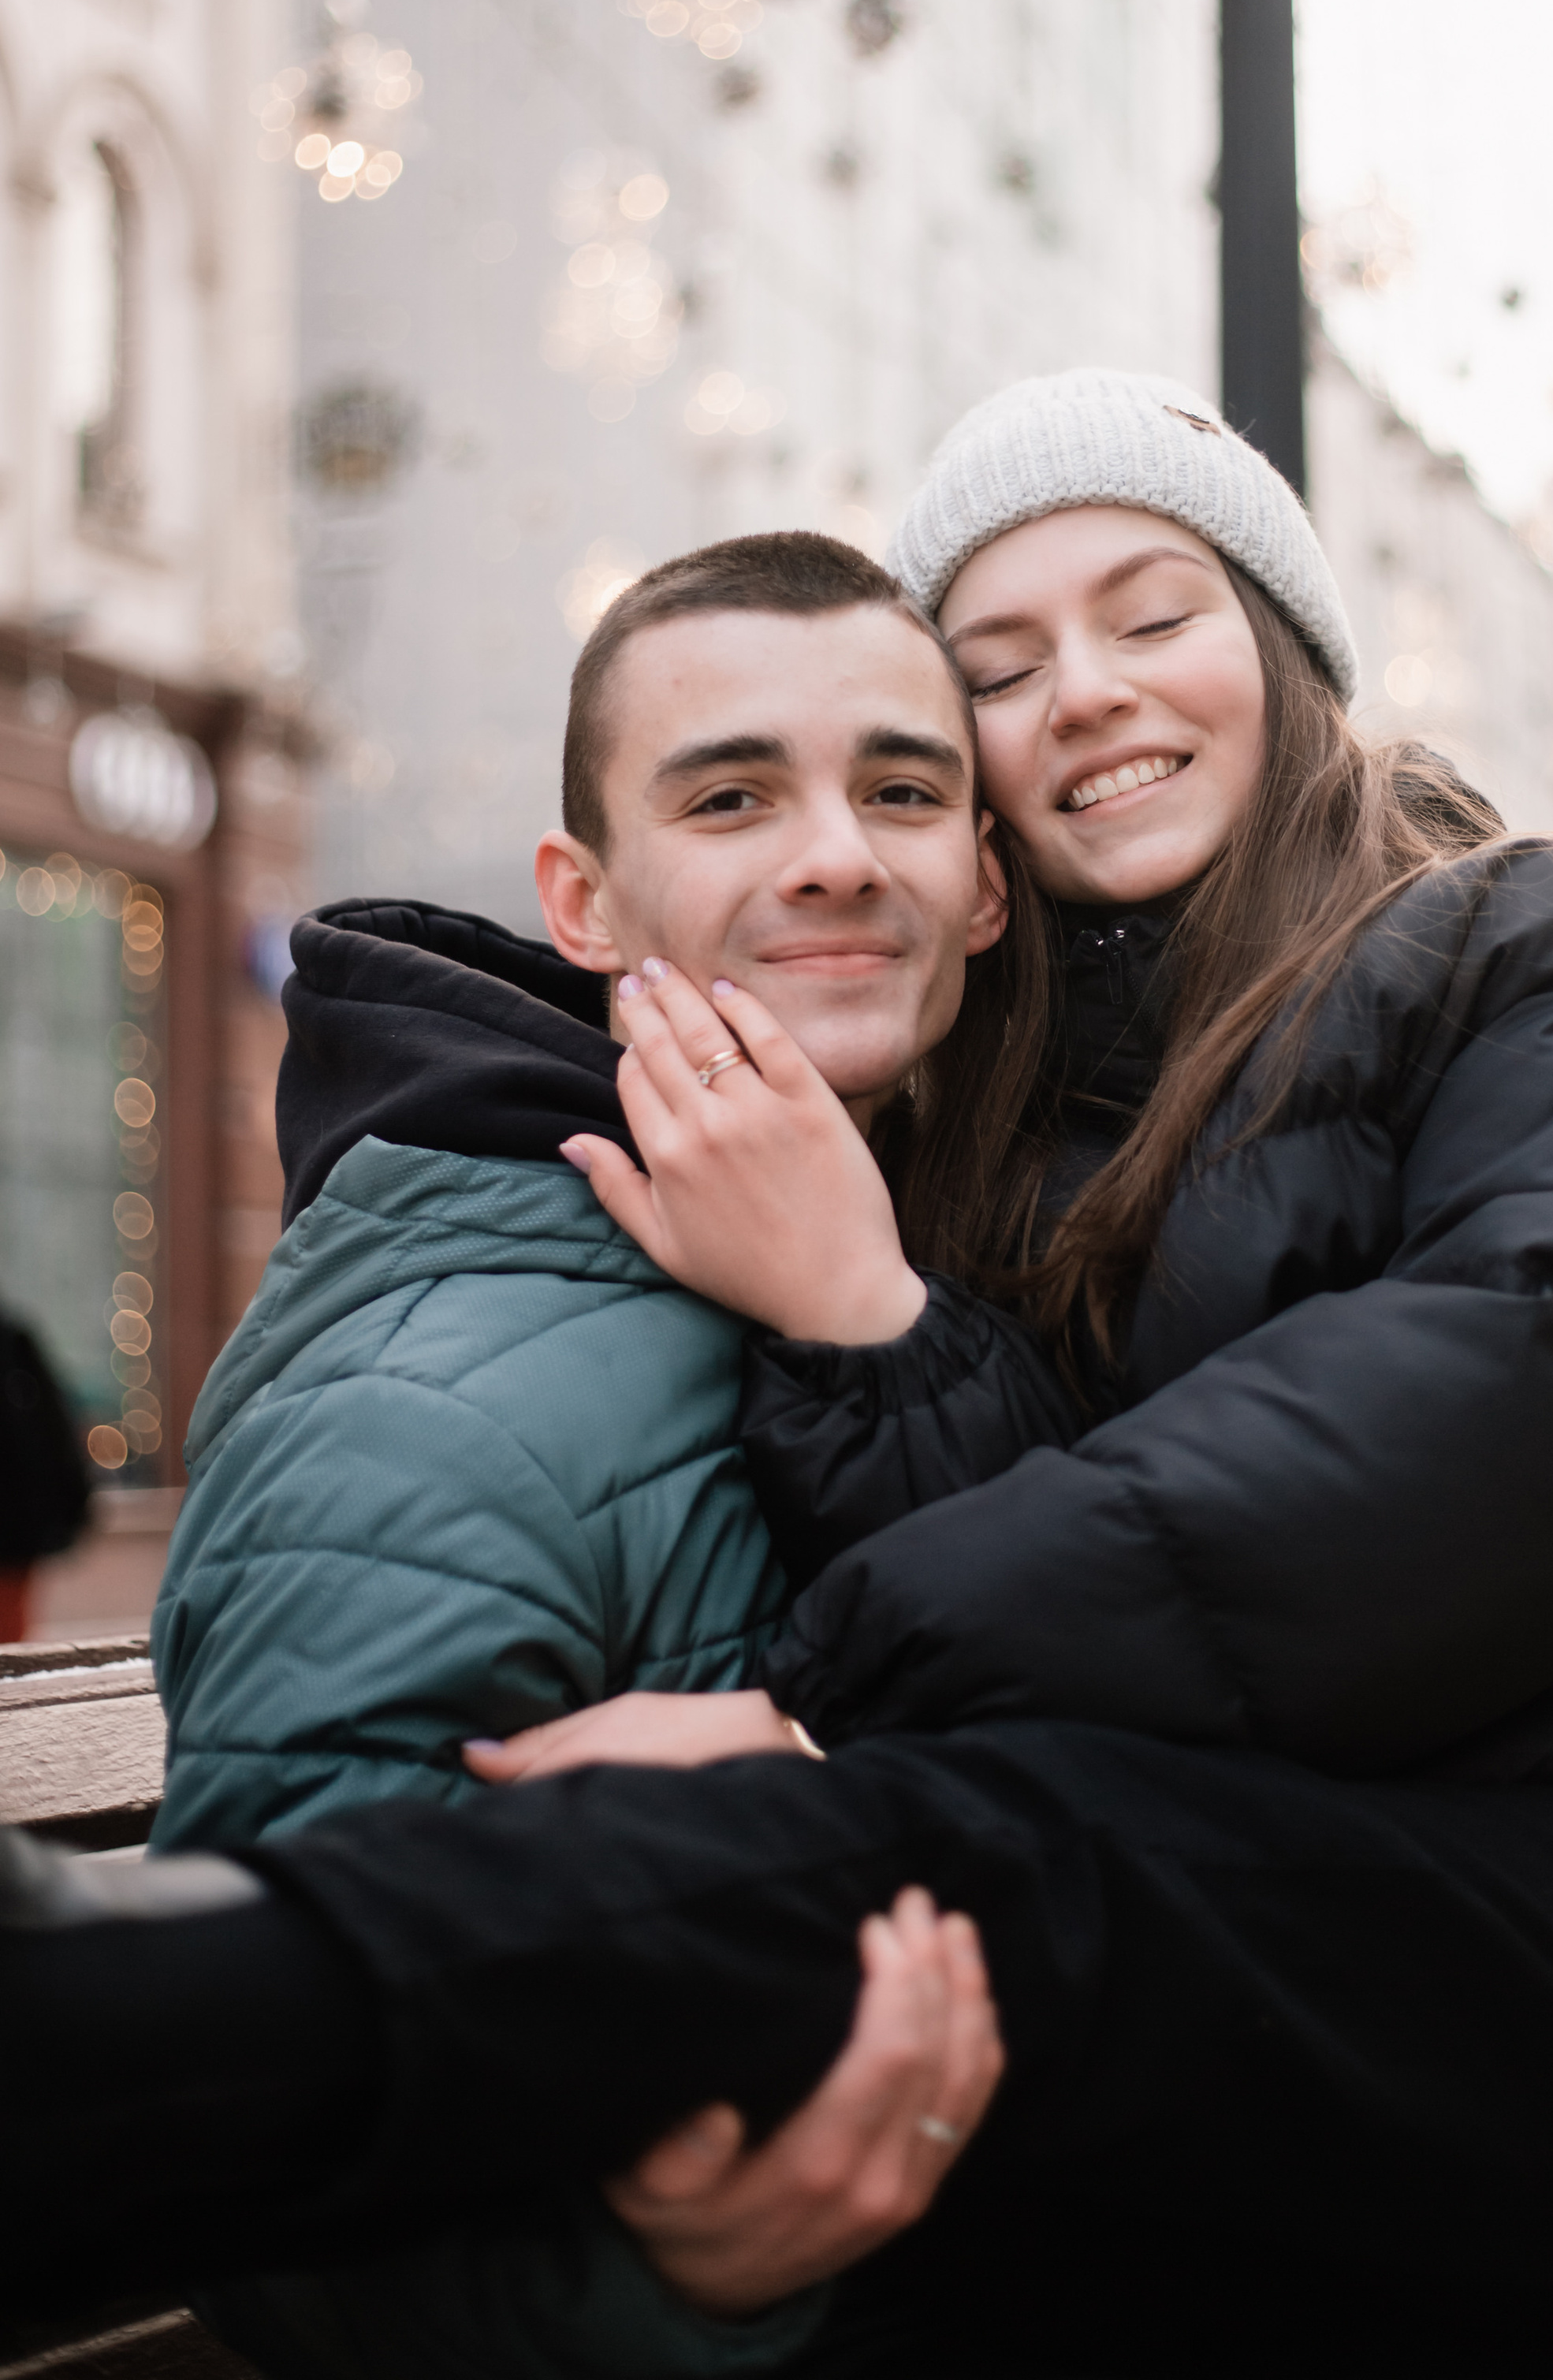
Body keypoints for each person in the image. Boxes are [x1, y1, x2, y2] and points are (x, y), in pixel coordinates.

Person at [5, 372, 1553, 2376]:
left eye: (1152, 616)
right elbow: (1104, 1623)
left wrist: (825, 1701)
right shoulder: (977, 1144)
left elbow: (1522, 1397)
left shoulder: (1550, 941)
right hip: (1334, 1973)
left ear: (1282, 650)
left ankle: (94, 2042)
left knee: (997, 1844)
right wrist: (871, 1315)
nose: (1087, 691)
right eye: (1004, 662)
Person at [140, 531, 1015, 2372]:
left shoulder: (921, 1259)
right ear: (586, 900)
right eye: (730, 793)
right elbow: (227, 2126)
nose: (837, 851)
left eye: (901, 786)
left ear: (986, 878)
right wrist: (658, 2286)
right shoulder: (435, 1379)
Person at [0, 1301, 90, 1643]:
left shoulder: (14, 1341)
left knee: (9, 1639)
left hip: (13, 1535)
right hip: (16, 1532)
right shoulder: (14, 1339)